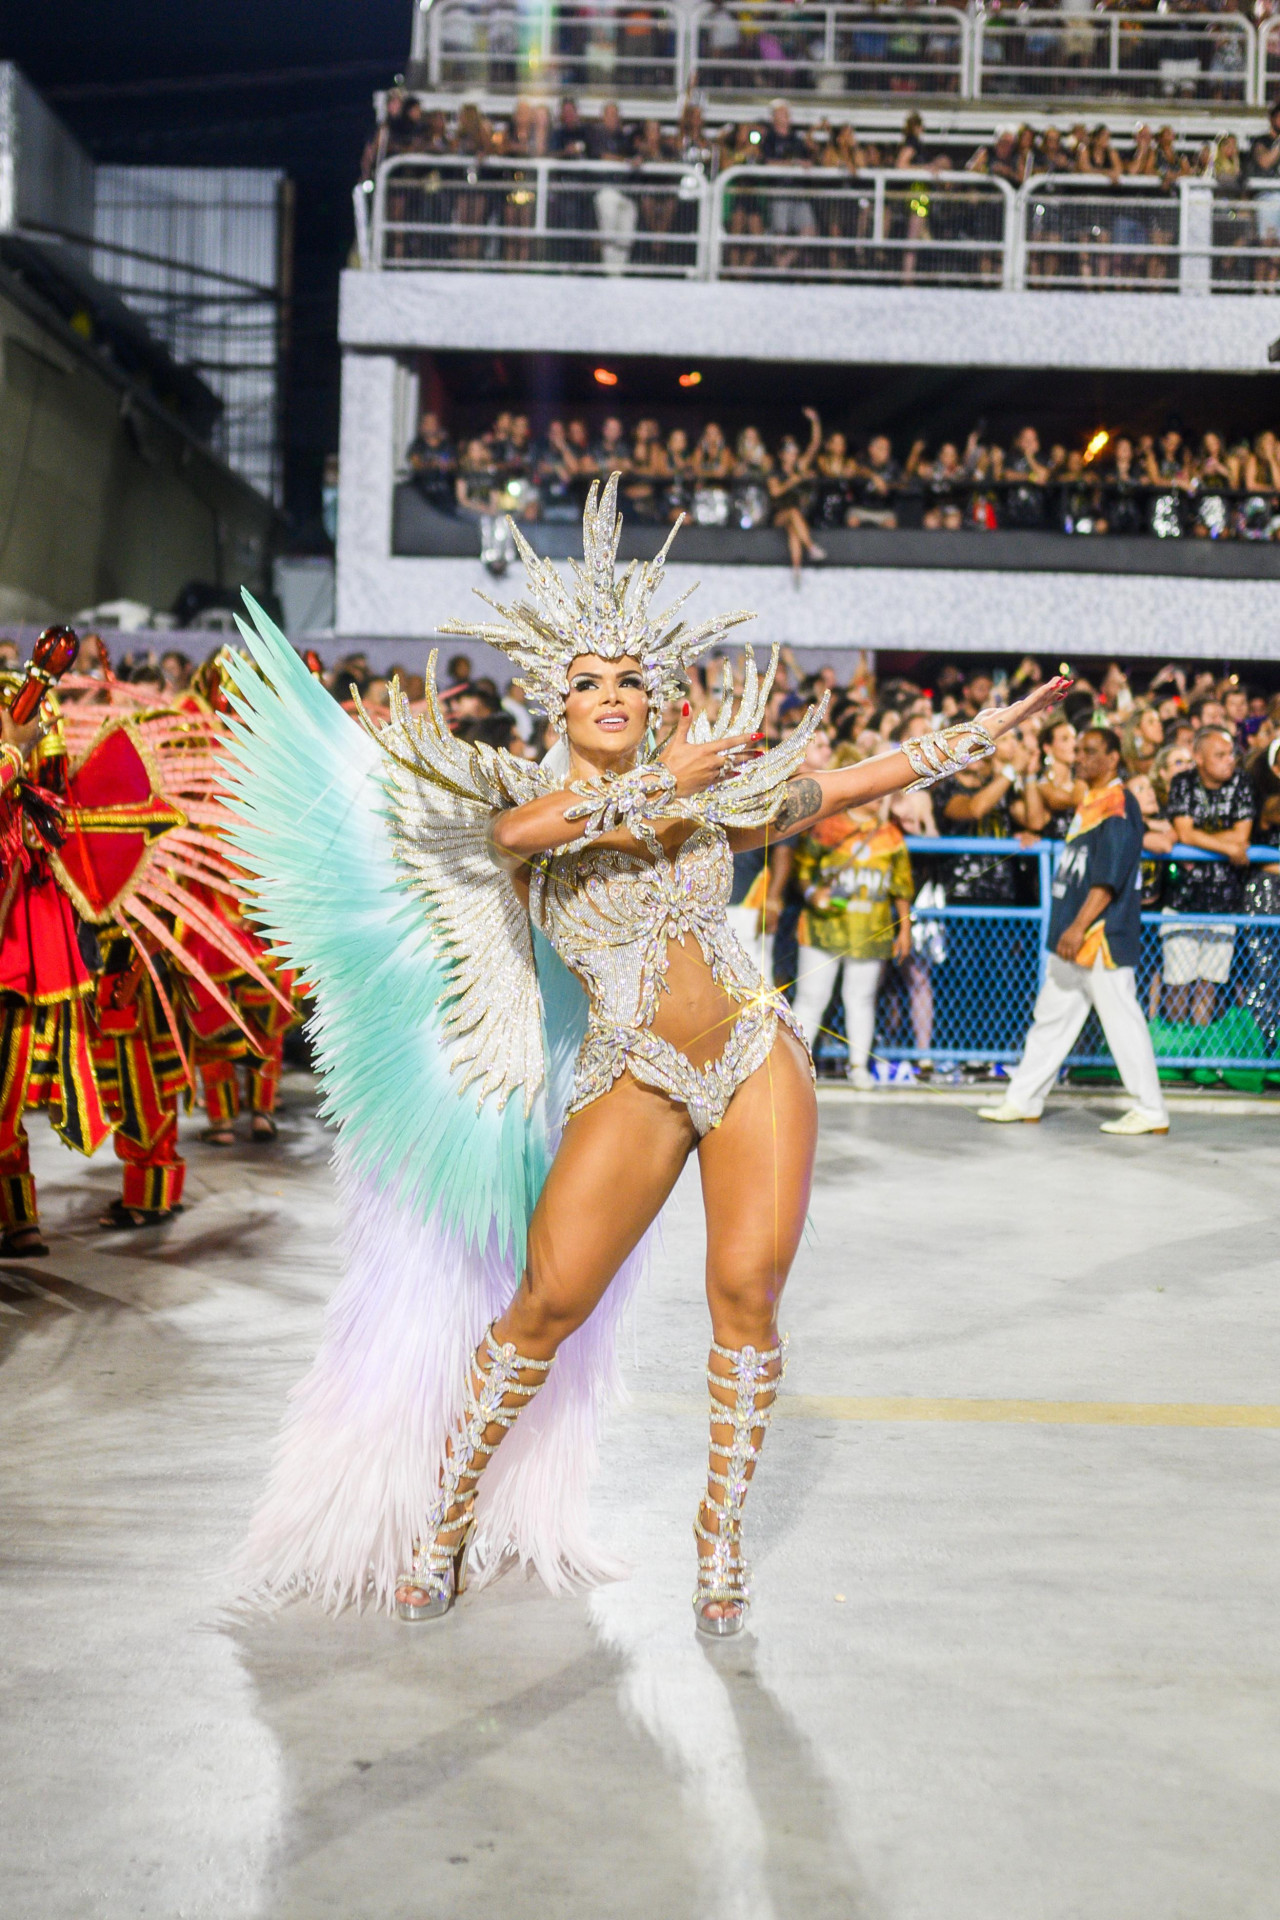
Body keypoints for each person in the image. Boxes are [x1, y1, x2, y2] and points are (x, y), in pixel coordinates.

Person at [228, 478, 1069, 1638]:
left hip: (748, 1049)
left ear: (654, 694)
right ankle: (446, 1518)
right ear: (554, 702)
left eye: (630, 679)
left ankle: (717, 1540)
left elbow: (831, 787)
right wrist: (659, 782)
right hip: (628, 1071)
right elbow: (518, 837)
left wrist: (974, 736)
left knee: (746, 1292)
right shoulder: (525, 806)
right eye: (587, 681)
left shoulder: (707, 801)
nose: (611, 694)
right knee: (545, 1299)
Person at [979, 727, 1168, 1136]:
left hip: (1098, 936)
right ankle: (1022, 1099)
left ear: (1114, 758)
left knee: (1123, 1021)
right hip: (1073, 934)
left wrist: (1079, 925)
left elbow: (1108, 878)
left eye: (1090, 751)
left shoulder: (1118, 804)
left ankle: (1151, 1108)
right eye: (1078, 750)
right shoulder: (1093, 800)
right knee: (1050, 1018)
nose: (1079, 757)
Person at [789, 748, 914, 1089]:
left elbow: (901, 885)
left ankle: (859, 1066)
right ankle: (798, 1069)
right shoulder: (825, 826)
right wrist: (814, 894)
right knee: (811, 998)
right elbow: (802, 870)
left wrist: (904, 927)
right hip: (822, 925)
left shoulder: (889, 834)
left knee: (860, 999)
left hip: (869, 929)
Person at [1159, 725, 1254, 1027]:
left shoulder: (1242, 782)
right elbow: (1184, 833)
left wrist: (1199, 837)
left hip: (1224, 901)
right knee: (1177, 982)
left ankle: (1199, 1045)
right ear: (1199, 758)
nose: (1230, 760)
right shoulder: (1183, 782)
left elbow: (1242, 837)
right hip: (1182, 900)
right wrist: (1226, 846)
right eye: (1220, 754)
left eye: (1231, 754)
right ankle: (1176, 1047)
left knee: (1207, 985)